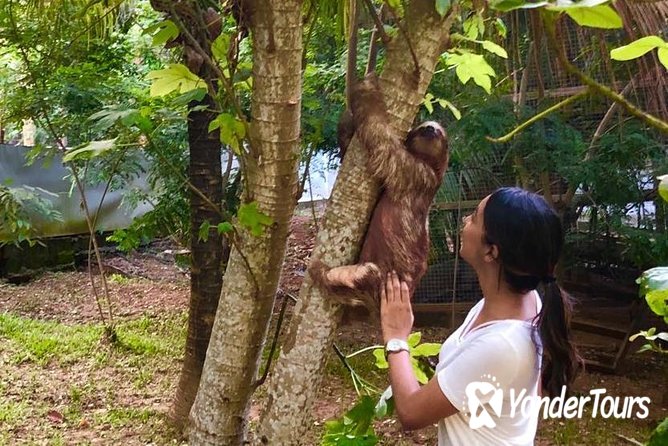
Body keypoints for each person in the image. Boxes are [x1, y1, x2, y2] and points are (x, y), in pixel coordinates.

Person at [380, 187, 581, 445]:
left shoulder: (503, 345)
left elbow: (411, 412)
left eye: (474, 217)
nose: (465, 220)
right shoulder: (524, 300)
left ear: (491, 252)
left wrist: (396, 337)